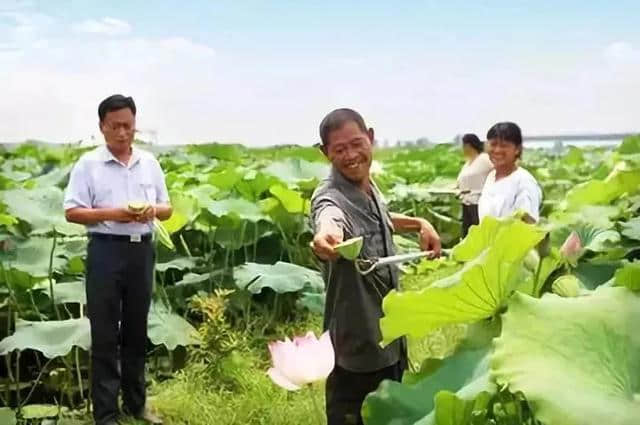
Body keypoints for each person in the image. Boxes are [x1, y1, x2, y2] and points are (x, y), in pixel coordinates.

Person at [310, 108, 441, 425]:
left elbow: (380, 217)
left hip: (391, 341)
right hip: (359, 348)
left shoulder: (368, 187)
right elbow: (330, 220)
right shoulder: (329, 198)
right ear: (325, 153)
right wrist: (326, 237)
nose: (351, 155)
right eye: (340, 150)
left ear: (370, 137)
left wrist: (419, 223)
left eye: (357, 143)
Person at [64, 95, 172, 425]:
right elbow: (72, 211)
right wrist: (117, 214)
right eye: (115, 126)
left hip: (141, 251)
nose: (123, 133)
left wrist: (150, 211)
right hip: (105, 250)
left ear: (135, 125)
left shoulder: (149, 163)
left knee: (137, 331)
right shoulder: (88, 165)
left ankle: (136, 405)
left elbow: (167, 208)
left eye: (128, 126)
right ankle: (106, 414)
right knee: (106, 333)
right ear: (102, 127)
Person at [478, 122, 542, 223]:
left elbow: (528, 226)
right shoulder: (491, 176)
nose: (497, 150)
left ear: (517, 149)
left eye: (504, 145)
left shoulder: (524, 182)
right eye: (493, 144)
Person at [456, 133, 493, 237]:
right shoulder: (467, 163)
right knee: (467, 234)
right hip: (466, 202)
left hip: (479, 202)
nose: (462, 149)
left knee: (480, 233)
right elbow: (461, 181)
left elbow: (498, 170)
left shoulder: (484, 159)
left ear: (469, 146)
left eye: (463, 146)